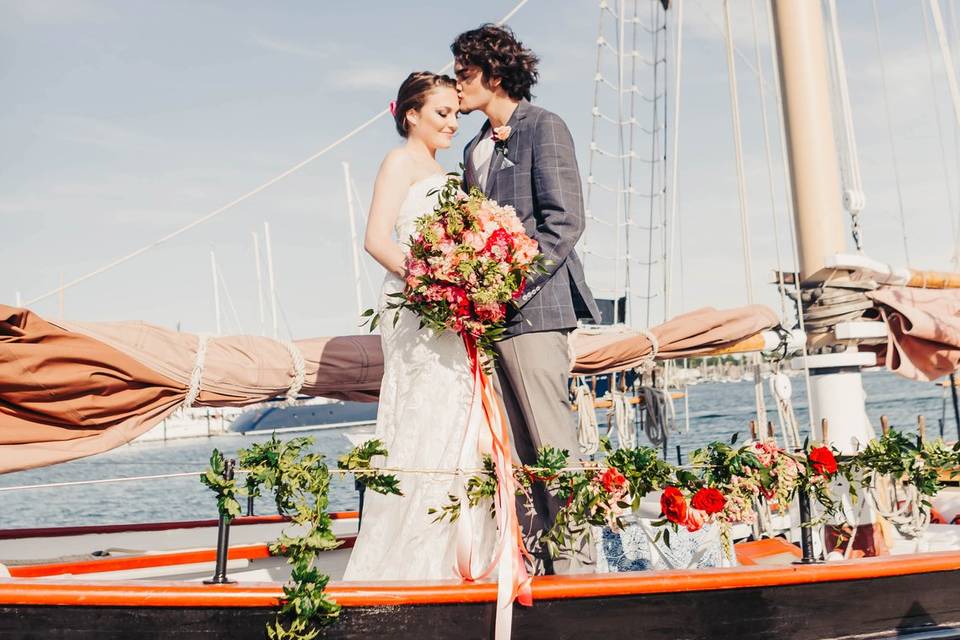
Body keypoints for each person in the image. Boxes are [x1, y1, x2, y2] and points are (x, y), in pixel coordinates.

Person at [453, 24, 602, 574]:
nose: (456, 86)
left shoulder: (544, 127)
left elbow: (565, 222)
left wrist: (507, 290)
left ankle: (579, 571)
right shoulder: (471, 151)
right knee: (513, 453)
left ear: (494, 74)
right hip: (488, 324)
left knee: (554, 446)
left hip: (536, 313)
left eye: (463, 74)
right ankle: (538, 568)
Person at [342, 71, 496, 581]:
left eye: (456, 113)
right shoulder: (399, 162)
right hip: (418, 307)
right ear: (411, 114)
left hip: (454, 314)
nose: (453, 122)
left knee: (459, 419)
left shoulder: (448, 173)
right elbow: (376, 239)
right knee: (424, 414)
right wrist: (435, 284)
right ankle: (413, 562)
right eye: (443, 113)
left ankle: (464, 553)